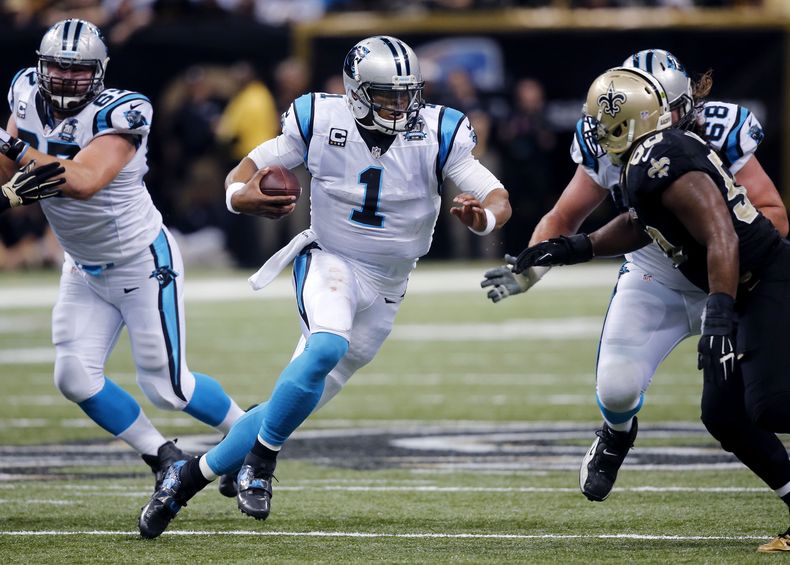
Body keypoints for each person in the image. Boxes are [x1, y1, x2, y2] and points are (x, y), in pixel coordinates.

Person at [138, 34, 511, 538]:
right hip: (331, 261)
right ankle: (262, 464)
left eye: (406, 92)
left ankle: (186, 478)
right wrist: (237, 196)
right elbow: (249, 165)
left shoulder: (440, 129)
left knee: (284, 407)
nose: (400, 104)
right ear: (356, 91)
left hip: (387, 288)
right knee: (325, 346)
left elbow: (495, 193)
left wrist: (484, 218)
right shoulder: (319, 118)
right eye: (386, 94)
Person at [481, 49, 788, 504]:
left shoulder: (698, 141)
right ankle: (616, 433)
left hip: (731, 279)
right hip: (657, 275)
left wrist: (719, 284)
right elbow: (583, 217)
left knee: (756, 407)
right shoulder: (630, 148)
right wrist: (537, 266)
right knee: (623, 389)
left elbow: (765, 219)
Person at [0, 19, 245, 493]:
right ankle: (164, 458)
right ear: (40, 65)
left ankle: (246, 439)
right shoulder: (26, 92)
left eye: (78, 71)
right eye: (57, 68)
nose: (66, 79)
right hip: (82, 264)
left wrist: (12, 147)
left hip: (140, 260)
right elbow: (11, 165)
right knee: (74, 376)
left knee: (168, 387)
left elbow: (85, 181)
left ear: (100, 72)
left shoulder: (124, 110)